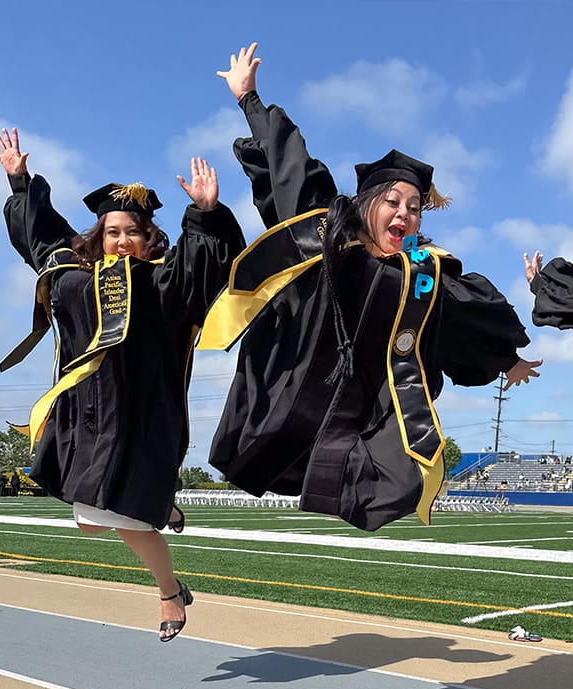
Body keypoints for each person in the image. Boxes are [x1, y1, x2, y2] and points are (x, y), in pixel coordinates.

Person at [201, 43, 541, 532]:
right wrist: (249, 99)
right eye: (393, 200)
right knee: (268, 439)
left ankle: (333, 492)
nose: (404, 212)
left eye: (415, 206)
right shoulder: (331, 239)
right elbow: (292, 165)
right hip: (301, 369)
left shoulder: (421, 274)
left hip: (372, 394)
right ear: (367, 204)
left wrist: (507, 360)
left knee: (404, 476)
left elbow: (461, 321)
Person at [0, 128, 245, 641]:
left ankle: (169, 592)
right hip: (86, 417)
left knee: (128, 521)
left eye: (133, 231)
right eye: (112, 232)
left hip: (141, 419)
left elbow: (211, 267)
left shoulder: (164, 281)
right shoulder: (77, 275)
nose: (123, 240)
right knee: (89, 522)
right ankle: (161, 504)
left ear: (149, 236)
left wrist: (206, 213)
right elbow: (44, 238)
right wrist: (21, 184)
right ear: (99, 237)